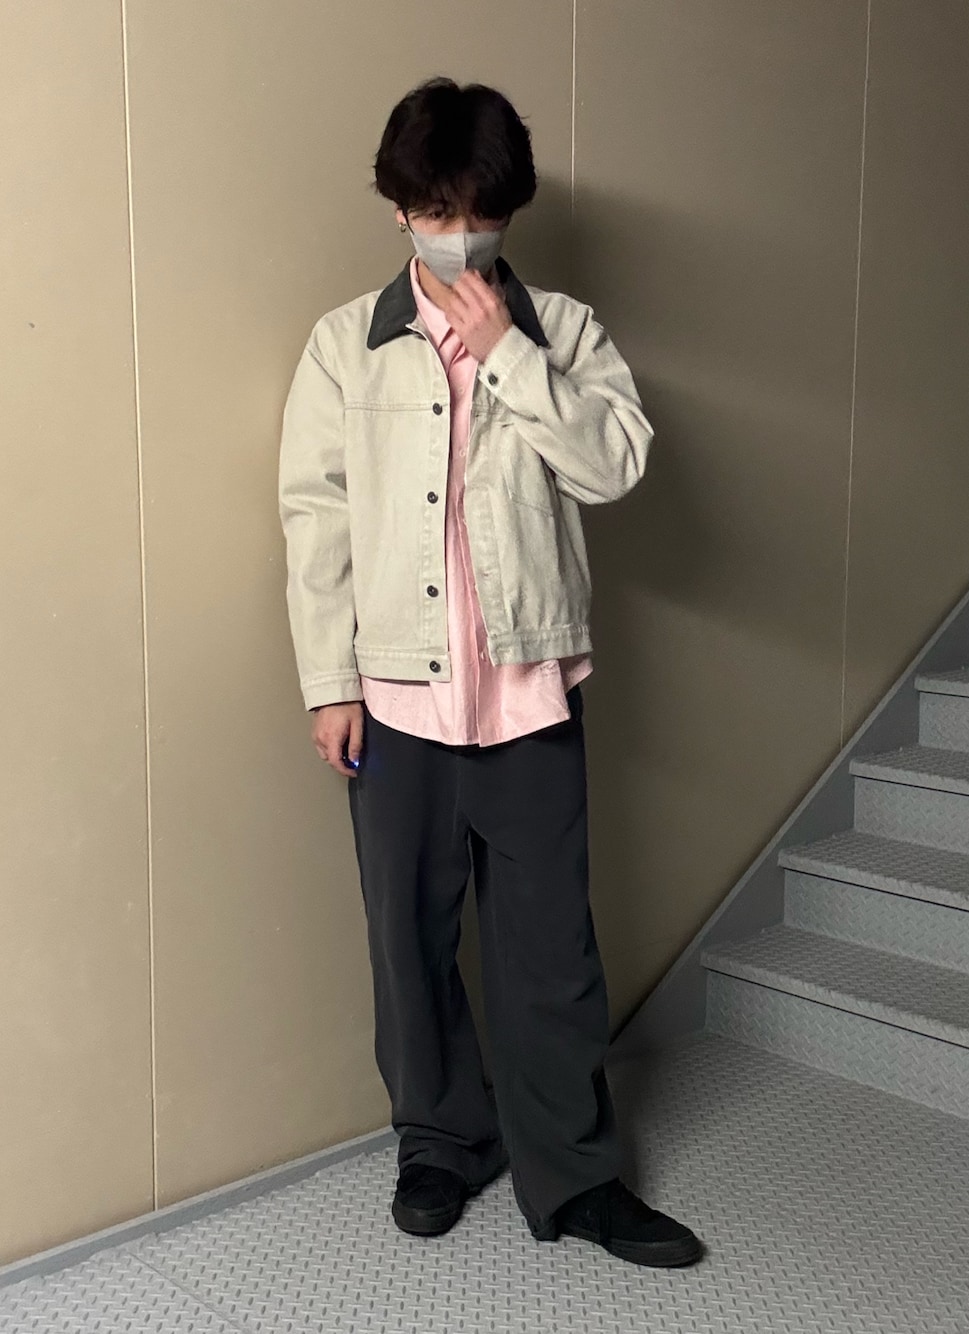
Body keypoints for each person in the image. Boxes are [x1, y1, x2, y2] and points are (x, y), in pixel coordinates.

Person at [277, 75, 704, 1269]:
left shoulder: (563, 331)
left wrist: (511, 353)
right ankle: (439, 1142)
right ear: (398, 207)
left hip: (526, 693)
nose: (456, 232)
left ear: (509, 210)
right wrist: (328, 681)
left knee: (549, 952)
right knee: (406, 939)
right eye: (433, 209)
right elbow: (316, 517)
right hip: (395, 699)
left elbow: (615, 466)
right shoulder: (344, 346)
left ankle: (576, 1173)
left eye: (478, 210)